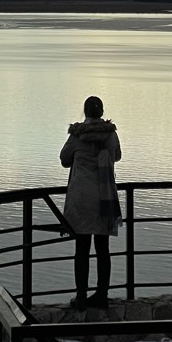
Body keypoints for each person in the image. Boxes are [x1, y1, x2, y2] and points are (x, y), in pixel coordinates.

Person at [60, 95, 122, 311]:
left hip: (82, 199)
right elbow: (118, 156)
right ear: (102, 112)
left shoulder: (76, 135)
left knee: (82, 249)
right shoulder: (111, 135)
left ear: (85, 112)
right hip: (105, 198)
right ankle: (102, 295)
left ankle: (81, 297)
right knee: (103, 249)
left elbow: (64, 159)